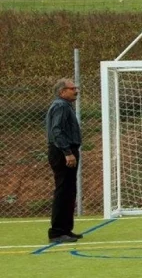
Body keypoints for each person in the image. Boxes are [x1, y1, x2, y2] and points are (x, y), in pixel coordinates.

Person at [45, 78, 83, 243]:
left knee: (69, 190)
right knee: (63, 190)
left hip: (66, 150)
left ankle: (65, 229)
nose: (76, 90)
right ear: (62, 91)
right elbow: (57, 131)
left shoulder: (65, 106)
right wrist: (67, 152)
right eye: (72, 88)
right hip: (62, 151)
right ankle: (57, 232)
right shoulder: (60, 106)